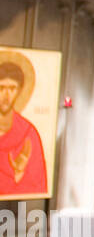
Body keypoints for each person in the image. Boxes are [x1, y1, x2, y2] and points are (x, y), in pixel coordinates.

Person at [0, 61, 48, 198]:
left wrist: (20, 175)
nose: (6, 95)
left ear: (20, 90)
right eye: (1, 87)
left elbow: (37, 185)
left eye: (12, 88)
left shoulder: (28, 133)